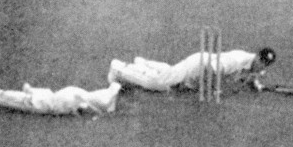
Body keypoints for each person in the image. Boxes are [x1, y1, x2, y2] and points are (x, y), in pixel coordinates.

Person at [107, 47, 276, 93]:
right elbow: (211, 68)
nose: (262, 66)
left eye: (265, 64)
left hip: (203, 67)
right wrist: (212, 88)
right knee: (158, 84)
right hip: (198, 65)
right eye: (261, 61)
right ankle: (119, 69)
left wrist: (255, 84)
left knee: (171, 74)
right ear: (257, 56)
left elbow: (252, 74)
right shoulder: (236, 60)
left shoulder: (255, 66)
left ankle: (143, 64)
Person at [0, 82, 122, 116]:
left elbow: (89, 105)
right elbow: (89, 105)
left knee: (24, 99)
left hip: (49, 101)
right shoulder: (81, 97)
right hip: (51, 99)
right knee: (26, 98)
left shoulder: (81, 97)